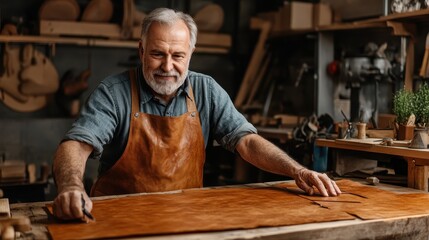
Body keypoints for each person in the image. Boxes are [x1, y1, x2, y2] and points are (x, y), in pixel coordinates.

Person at [52, 7, 341, 220]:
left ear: (190, 54)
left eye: (177, 56)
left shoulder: (206, 91)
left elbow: (247, 141)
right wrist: (71, 187)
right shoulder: (113, 93)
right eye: (157, 54)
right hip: (118, 220)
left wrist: (297, 171)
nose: (167, 66)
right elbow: (76, 145)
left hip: (185, 219)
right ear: (141, 51)